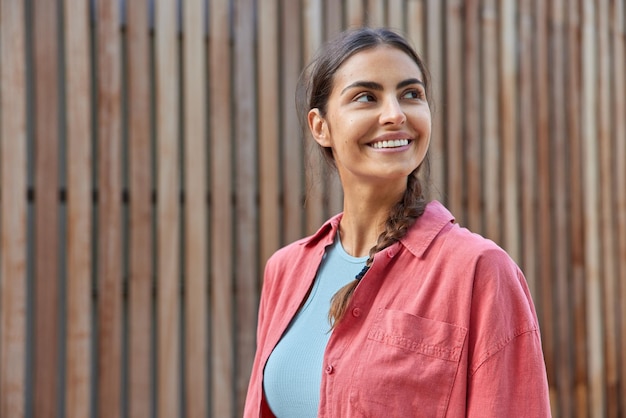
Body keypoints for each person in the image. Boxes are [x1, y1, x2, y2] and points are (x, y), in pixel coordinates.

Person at [244, 27, 551, 417]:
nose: (395, 114)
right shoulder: (285, 271)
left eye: (411, 94)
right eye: (366, 97)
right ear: (320, 127)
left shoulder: (479, 271)